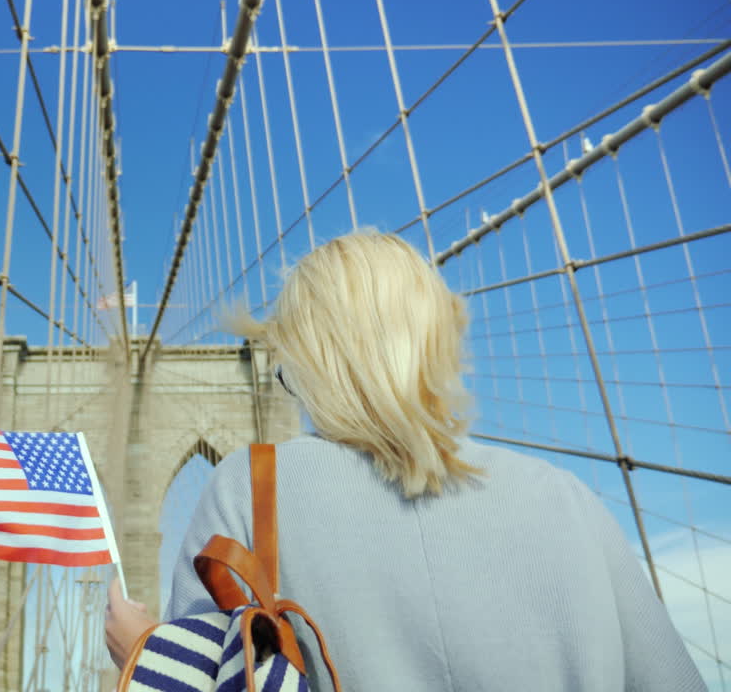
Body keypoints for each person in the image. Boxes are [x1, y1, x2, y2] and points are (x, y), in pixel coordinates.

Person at [105, 229, 704, 690]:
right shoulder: (563, 497)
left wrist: (146, 652)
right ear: (437, 339)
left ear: (307, 362)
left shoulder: (250, 485)